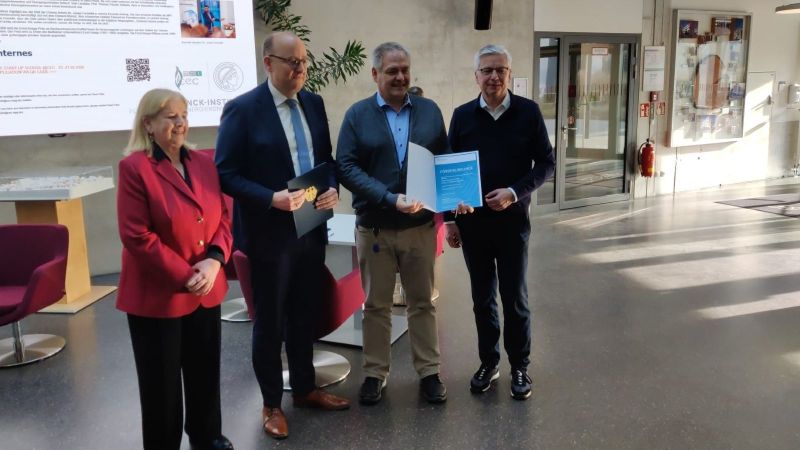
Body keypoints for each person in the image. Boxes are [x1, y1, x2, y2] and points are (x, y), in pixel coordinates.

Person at [215, 31, 349, 440]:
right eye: (291, 62)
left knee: (304, 312)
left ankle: (306, 389)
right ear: (268, 62)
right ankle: (272, 404)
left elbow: (326, 160)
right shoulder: (242, 110)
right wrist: (269, 198)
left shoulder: (314, 102)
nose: (300, 69)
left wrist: (332, 189)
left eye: (304, 61)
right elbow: (225, 173)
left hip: (310, 226)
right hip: (269, 234)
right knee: (270, 322)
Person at [337, 42, 461, 405]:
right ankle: (375, 373)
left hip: (420, 230)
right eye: (392, 71)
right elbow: (345, 166)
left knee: (421, 302)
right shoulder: (357, 115)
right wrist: (389, 198)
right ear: (375, 74)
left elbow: (444, 161)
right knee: (375, 305)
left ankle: (429, 373)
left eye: (405, 69)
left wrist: (455, 206)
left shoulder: (429, 111)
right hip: (374, 228)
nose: (400, 77)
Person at [116, 88, 234, 450]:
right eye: (170, 116)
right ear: (148, 124)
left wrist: (214, 260)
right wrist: (188, 275)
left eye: (184, 114)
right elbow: (137, 236)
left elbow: (223, 217)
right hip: (159, 296)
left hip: (206, 288)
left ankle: (207, 435)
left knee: (204, 373)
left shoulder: (203, 162)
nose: (180, 122)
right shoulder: (134, 168)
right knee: (161, 385)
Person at [445, 44, 555, 400]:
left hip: (512, 225)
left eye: (501, 70)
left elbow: (546, 165)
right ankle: (488, 362)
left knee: (514, 298)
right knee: (482, 298)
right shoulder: (462, 116)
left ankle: (519, 366)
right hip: (474, 227)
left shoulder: (528, 112)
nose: (494, 76)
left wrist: (513, 192)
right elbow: (449, 170)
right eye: (487, 70)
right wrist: (451, 220)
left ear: (510, 75)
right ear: (476, 76)